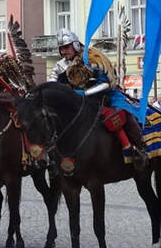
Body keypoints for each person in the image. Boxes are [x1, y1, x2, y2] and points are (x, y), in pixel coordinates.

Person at [50, 28, 148, 171]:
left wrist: (84, 93)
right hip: (75, 102)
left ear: (75, 45)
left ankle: (138, 149)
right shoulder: (59, 66)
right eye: (61, 49)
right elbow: (54, 87)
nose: (64, 52)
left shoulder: (92, 58)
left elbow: (106, 83)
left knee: (122, 113)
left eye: (66, 47)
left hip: (103, 96)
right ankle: (51, 156)